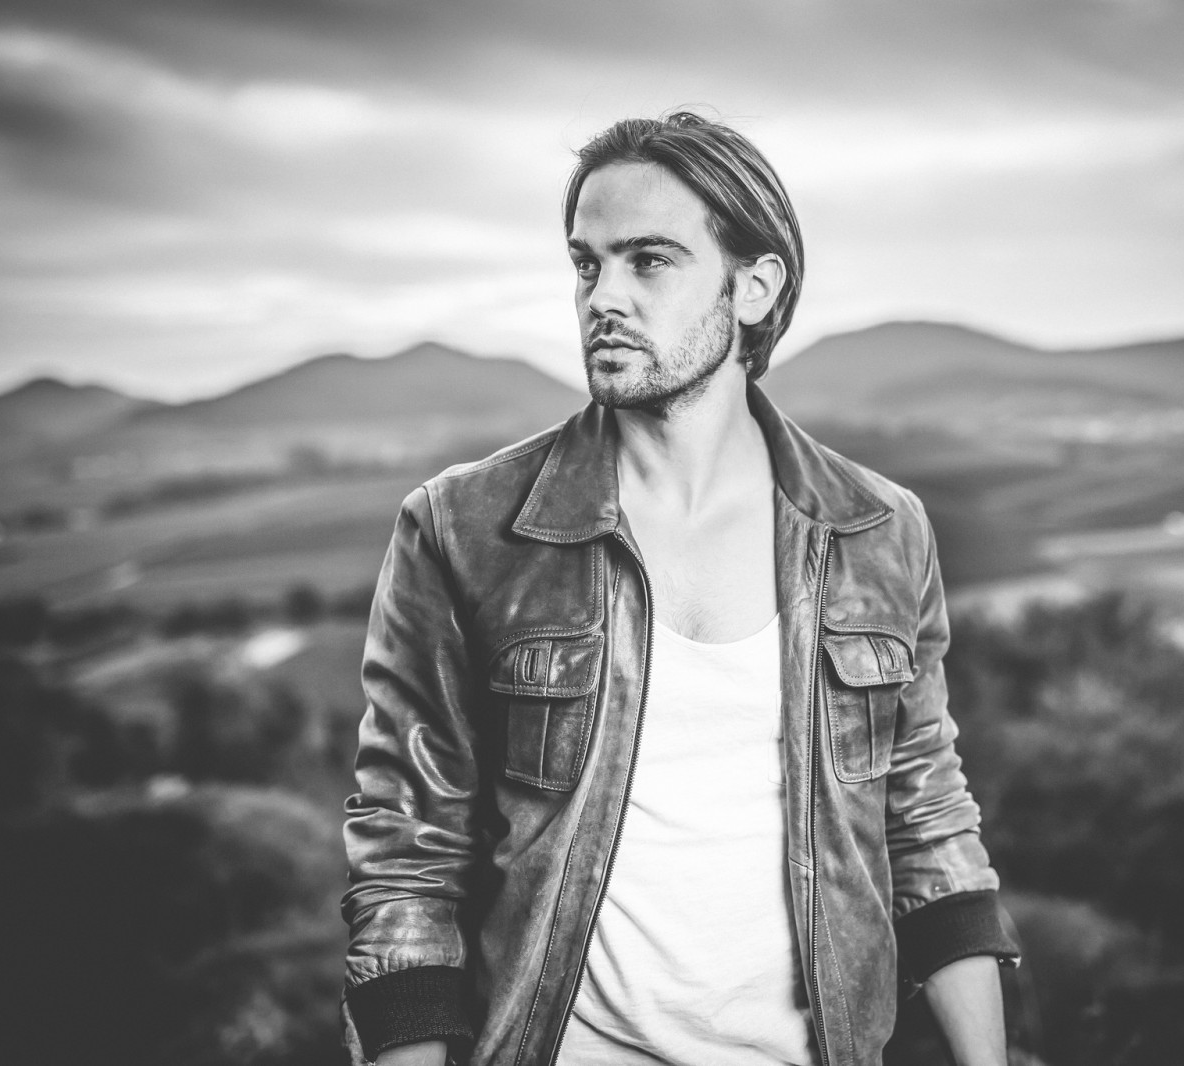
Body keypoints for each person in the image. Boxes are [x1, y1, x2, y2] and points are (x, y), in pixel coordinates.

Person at [340, 111, 1020, 1066]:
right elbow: (408, 860)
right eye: (587, 264)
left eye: (648, 261)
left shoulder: (880, 531)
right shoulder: (462, 529)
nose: (602, 297)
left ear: (754, 287)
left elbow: (928, 823)